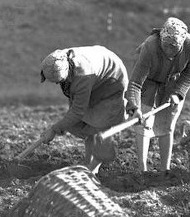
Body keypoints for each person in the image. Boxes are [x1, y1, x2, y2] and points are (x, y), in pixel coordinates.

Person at [125, 17, 190, 176]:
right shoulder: (150, 46)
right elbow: (136, 83)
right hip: (149, 81)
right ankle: (142, 170)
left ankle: (165, 169)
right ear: (161, 39)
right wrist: (134, 107)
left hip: (174, 81)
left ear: (182, 43)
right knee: (143, 123)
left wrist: (178, 93)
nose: (169, 51)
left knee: (167, 125)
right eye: (166, 46)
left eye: (174, 47)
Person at [38, 45, 128, 175]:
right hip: (96, 74)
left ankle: (95, 166)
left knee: (99, 123)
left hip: (111, 80)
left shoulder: (83, 76)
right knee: (83, 123)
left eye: (59, 81)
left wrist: (54, 129)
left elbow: (77, 111)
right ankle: (89, 161)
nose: (57, 85)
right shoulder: (55, 59)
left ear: (67, 74)